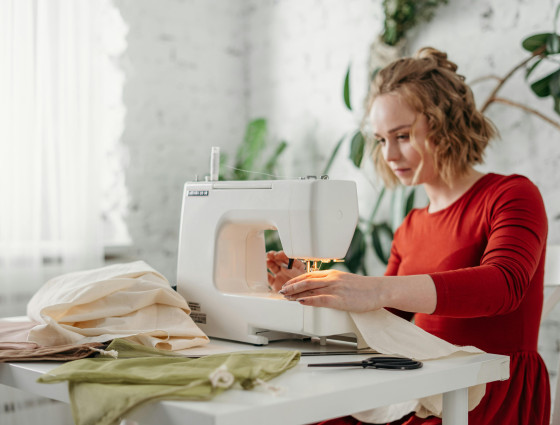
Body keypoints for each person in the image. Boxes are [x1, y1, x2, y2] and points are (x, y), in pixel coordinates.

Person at [266, 47, 550, 425]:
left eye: (402, 136)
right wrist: (310, 292)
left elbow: (504, 285)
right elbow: (386, 319)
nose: (390, 154)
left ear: (447, 125)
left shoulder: (511, 194)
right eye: (382, 140)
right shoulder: (411, 225)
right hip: (427, 380)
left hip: (487, 389)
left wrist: (376, 289)